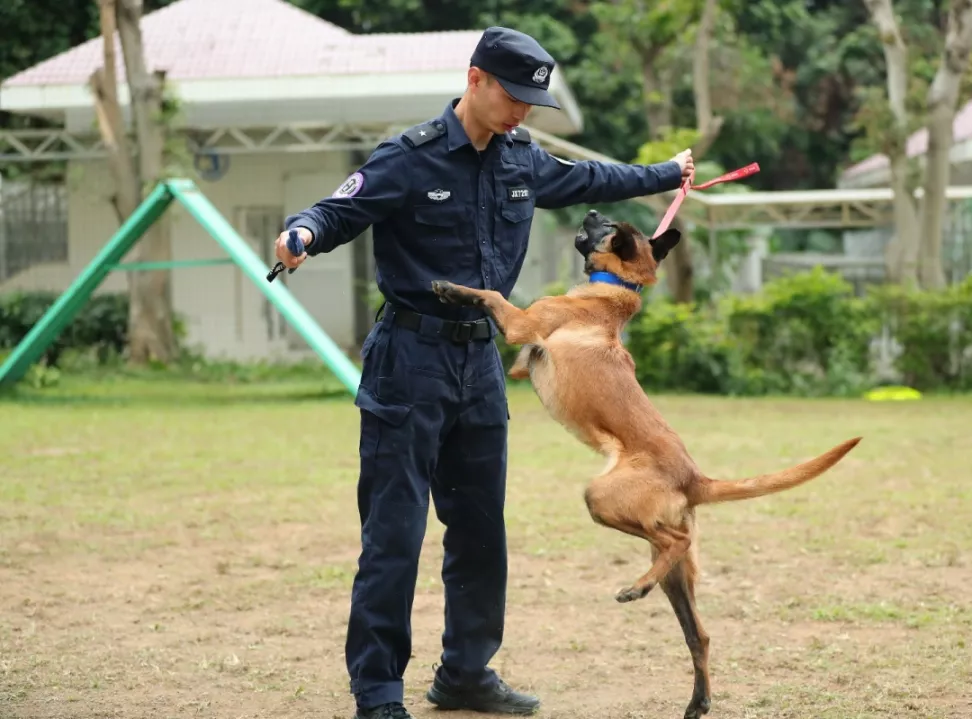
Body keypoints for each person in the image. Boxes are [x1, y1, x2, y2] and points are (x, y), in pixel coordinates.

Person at [274, 26, 694, 719]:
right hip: (409, 361)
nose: (523, 112)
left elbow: (592, 178)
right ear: (475, 80)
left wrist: (663, 173)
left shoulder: (522, 158)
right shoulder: (408, 157)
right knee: (394, 533)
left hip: (480, 363)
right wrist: (303, 234)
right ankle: (377, 692)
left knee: (479, 532)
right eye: (514, 96)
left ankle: (466, 674)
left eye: (533, 101)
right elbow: (340, 208)